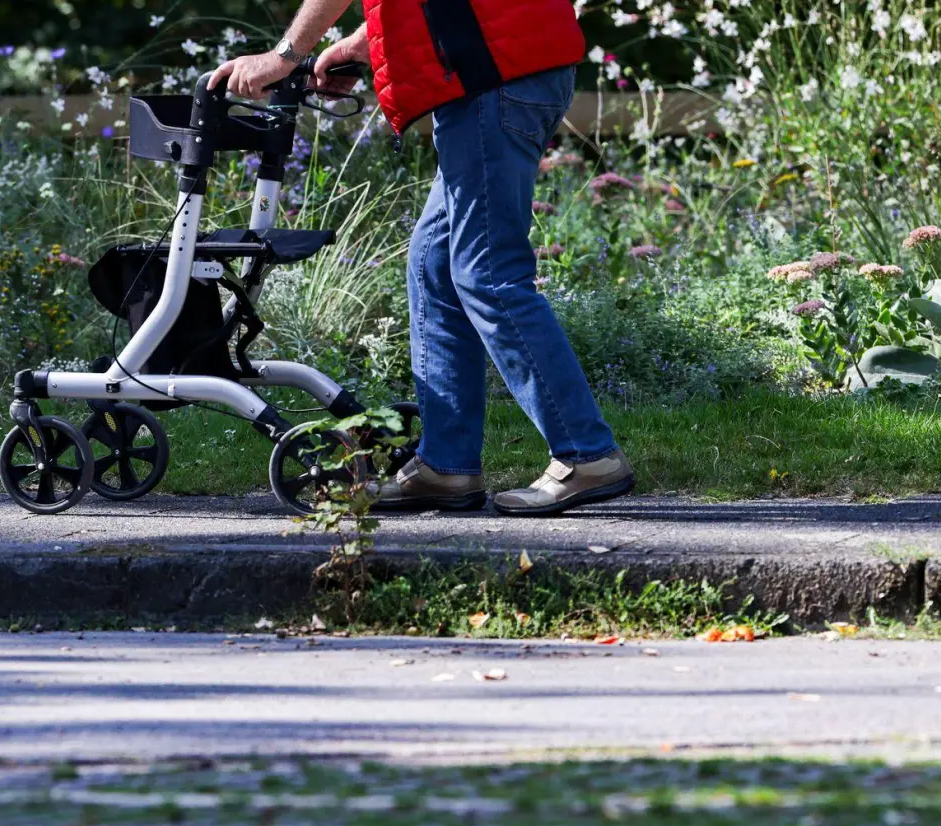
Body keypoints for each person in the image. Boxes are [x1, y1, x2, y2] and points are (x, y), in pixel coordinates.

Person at [211, 0, 633, 516]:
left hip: (491, 76)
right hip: (502, 68)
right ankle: (446, 467)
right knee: (434, 266)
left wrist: (283, 53)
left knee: (489, 275)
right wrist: (362, 44)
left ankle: (586, 453)